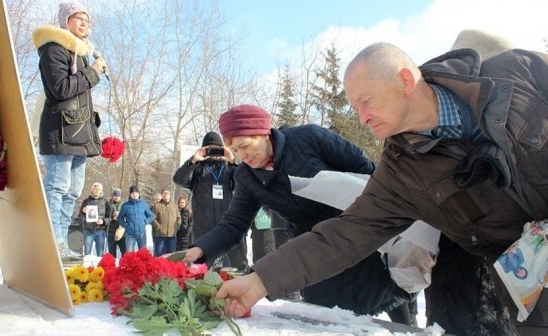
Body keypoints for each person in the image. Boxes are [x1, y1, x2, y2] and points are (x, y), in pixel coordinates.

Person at [214, 42, 548, 336]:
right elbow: (345, 234)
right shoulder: (400, 171)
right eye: (355, 106)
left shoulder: (520, 73)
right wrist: (260, 280)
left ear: (404, 81)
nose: (361, 118)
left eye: (366, 101)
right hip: (527, 280)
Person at [182, 104, 415, 322]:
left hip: (356, 227)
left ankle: (410, 327)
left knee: (383, 292)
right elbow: (233, 225)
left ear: (263, 133)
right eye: (235, 150)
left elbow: (364, 168)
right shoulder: (246, 177)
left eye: (245, 146)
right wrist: (200, 250)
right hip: (312, 245)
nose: (243, 156)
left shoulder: (309, 138)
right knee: (325, 314)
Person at [32, 1, 106, 261]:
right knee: (57, 187)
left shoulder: (82, 53)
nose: (85, 23)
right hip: (60, 131)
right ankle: (52, 242)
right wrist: (93, 73)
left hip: (79, 134)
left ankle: (62, 241)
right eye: (78, 18)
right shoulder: (54, 49)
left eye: (88, 19)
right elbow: (61, 89)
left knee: (73, 191)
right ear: (65, 21)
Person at [172, 131, 249, 271]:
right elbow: (178, 179)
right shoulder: (197, 170)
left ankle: (238, 291)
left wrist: (232, 161)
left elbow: (245, 182)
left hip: (229, 226)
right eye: (209, 148)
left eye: (217, 148)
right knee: (202, 269)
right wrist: (193, 160)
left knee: (238, 266)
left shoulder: (229, 169)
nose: (213, 152)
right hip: (203, 227)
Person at [77, 182, 110, 256]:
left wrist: (103, 221)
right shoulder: (86, 201)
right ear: (92, 190)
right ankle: (87, 267)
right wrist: (83, 211)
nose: (97, 190)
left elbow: (109, 217)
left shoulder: (105, 202)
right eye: (95, 189)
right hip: (88, 230)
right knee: (87, 252)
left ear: (101, 191)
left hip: (100, 231)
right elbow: (80, 216)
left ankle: (99, 267)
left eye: (98, 189)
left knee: (100, 253)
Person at [117, 186, 154, 252]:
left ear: (139, 194)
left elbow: (151, 216)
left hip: (141, 233)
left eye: (136, 193)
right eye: (133, 193)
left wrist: (145, 222)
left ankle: (142, 262)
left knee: (143, 254)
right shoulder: (125, 205)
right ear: (130, 195)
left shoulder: (144, 205)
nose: (134, 195)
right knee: (129, 254)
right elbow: (120, 218)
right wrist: (126, 225)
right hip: (130, 234)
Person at [152, 189, 181, 257]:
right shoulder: (157, 206)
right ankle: (159, 268)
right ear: (161, 196)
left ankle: (170, 268)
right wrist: (158, 227)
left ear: (170, 195)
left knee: (171, 255)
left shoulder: (174, 206)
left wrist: (177, 227)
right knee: (160, 255)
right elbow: (152, 218)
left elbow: (178, 218)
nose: (166, 195)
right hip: (160, 235)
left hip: (172, 235)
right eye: (164, 193)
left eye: (167, 193)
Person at [106, 188, 126, 257]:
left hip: (122, 232)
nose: (117, 197)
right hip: (111, 232)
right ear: (112, 196)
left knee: (125, 252)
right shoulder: (108, 205)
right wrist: (112, 217)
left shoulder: (124, 205)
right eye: (115, 195)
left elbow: (127, 216)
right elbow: (104, 217)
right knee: (112, 254)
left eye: (118, 196)